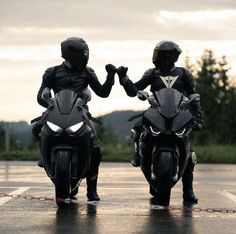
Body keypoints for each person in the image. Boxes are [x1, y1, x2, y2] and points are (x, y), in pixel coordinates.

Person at [116, 41, 203, 203]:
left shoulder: (184, 73)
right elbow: (134, 90)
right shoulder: (152, 73)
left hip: (179, 113)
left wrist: (198, 113)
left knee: (188, 149)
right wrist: (124, 79)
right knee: (138, 127)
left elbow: (192, 94)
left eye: (160, 54)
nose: (156, 57)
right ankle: (137, 154)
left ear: (169, 56)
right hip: (157, 111)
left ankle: (188, 191)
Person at [32, 37, 117, 201]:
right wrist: (48, 101)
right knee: (36, 129)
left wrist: (111, 77)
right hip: (55, 111)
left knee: (96, 149)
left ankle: (92, 190)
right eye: (82, 53)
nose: (85, 55)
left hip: (81, 113)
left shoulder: (87, 72)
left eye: (86, 52)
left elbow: (102, 93)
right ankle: (44, 156)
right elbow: (40, 96)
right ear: (70, 53)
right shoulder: (52, 72)